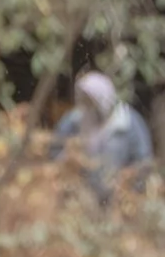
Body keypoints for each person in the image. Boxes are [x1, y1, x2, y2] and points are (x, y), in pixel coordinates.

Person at [53, 67, 153, 200]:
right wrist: (69, 159)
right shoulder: (74, 121)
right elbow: (55, 150)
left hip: (118, 196)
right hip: (81, 197)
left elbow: (143, 162)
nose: (88, 106)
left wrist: (129, 183)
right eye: (85, 100)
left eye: (91, 101)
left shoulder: (127, 122)